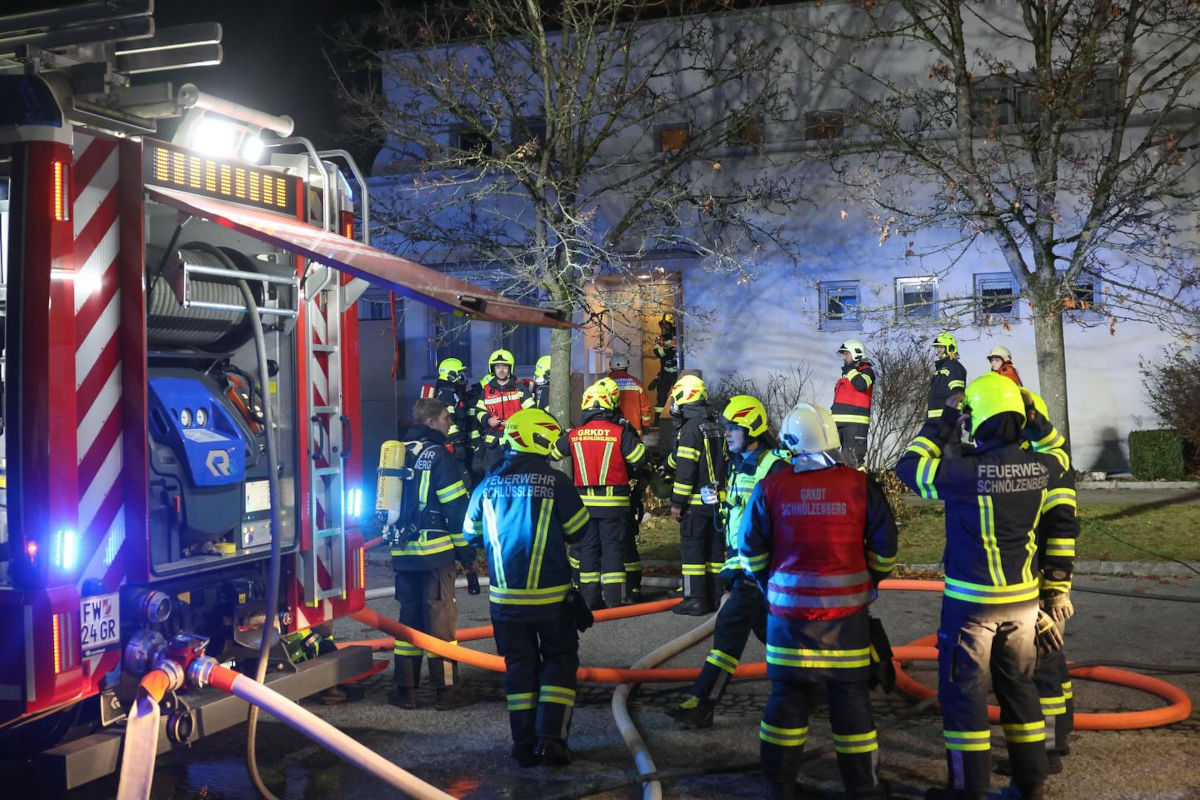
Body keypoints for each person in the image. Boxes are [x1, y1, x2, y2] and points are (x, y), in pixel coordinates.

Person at [895, 373, 1070, 800]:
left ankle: (967, 790)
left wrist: (943, 419)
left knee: (964, 697)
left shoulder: (961, 472)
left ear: (980, 420)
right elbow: (1060, 451)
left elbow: (907, 468)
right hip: (1024, 605)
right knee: (1021, 691)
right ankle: (1029, 785)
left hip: (970, 608)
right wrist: (1034, 419)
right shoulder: (1043, 467)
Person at [740, 402, 897, 800]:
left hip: (787, 620)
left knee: (786, 701)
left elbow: (750, 549)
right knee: (851, 701)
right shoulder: (860, 486)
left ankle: (778, 786)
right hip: (846, 622)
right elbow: (885, 548)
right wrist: (870, 579)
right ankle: (863, 788)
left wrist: (768, 583)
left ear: (791, 444)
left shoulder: (771, 487)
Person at [462, 408, 590, 767]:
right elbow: (579, 530)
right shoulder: (557, 483)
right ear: (537, 438)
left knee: (519, 667)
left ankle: (522, 746)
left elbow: (469, 533)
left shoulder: (487, 485)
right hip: (551, 600)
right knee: (560, 662)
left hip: (504, 601)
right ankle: (551, 741)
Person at [667, 395, 793, 729]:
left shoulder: (775, 467)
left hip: (760, 569)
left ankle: (702, 702)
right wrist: (721, 498)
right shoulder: (741, 462)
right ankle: (824, 680)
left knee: (729, 629)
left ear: (751, 427)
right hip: (742, 564)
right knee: (774, 634)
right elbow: (742, 509)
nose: (726, 433)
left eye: (732, 427)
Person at [997, 391, 1076, 778]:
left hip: (1040, 583)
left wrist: (1055, 587)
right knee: (1050, 663)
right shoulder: (1050, 459)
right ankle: (1057, 740)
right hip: (1041, 581)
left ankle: (1044, 756)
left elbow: (1061, 528)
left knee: (1037, 666)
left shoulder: (1044, 467)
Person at [388, 399, 474, 710]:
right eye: (446, 418)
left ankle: (404, 690)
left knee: (408, 622)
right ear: (432, 422)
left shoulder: (397, 452)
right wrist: (467, 551)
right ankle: (447, 692)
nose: (450, 423)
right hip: (435, 554)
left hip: (403, 551)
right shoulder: (439, 456)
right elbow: (455, 509)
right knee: (441, 626)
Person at [552, 382, 647, 608]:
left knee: (588, 551)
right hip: (614, 505)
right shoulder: (619, 433)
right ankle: (615, 601)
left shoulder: (575, 435)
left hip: (584, 505)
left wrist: (566, 436)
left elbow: (553, 452)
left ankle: (590, 601)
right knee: (613, 550)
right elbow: (640, 458)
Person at [666, 374, 728, 615]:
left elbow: (687, 469)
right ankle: (715, 597)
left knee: (692, 553)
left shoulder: (690, 428)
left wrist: (677, 502)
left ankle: (695, 599)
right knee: (714, 553)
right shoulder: (715, 425)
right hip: (715, 502)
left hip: (693, 502)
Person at [474, 349, 535, 474]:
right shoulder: (486, 390)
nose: (501, 370)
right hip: (493, 444)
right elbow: (479, 411)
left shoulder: (520, 388)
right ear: (492, 369)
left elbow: (532, 413)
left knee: (516, 475)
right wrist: (487, 420)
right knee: (492, 477)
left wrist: (514, 423)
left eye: (504, 367)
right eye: (497, 367)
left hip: (516, 441)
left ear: (510, 368)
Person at [420, 357, 479, 475]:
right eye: (460, 374)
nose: (464, 378)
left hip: (459, 443)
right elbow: (447, 420)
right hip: (452, 445)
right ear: (451, 375)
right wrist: (455, 441)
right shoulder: (446, 393)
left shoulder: (454, 392)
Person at [831, 340, 875, 467]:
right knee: (832, 460)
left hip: (856, 425)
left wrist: (851, 370)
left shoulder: (867, 371)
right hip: (837, 424)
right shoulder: (845, 376)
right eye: (843, 354)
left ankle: (862, 486)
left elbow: (861, 384)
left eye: (847, 354)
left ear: (856, 354)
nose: (844, 357)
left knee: (853, 462)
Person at [608, 353, 654, 433]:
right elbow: (645, 407)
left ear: (611, 366)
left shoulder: (605, 385)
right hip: (634, 429)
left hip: (612, 430)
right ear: (627, 365)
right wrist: (646, 424)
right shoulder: (637, 384)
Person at [928, 332, 968, 420]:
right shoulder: (942, 368)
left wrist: (951, 416)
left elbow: (957, 392)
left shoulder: (953, 366)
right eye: (937, 347)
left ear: (950, 348)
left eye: (941, 347)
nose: (938, 350)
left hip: (946, 419)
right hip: (935, 419)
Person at [648, 314, 679, 419]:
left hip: (677, 373)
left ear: (672, 325)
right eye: (662, 325)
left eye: (666, 325)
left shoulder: (679, 336)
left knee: (679, 396)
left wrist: (668, 347)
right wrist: (669, 345)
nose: (663, 328)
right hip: (665, 372)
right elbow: (659, 353)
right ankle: (658, 421)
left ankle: (678, 419)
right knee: (661, 398)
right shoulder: (660, 339)